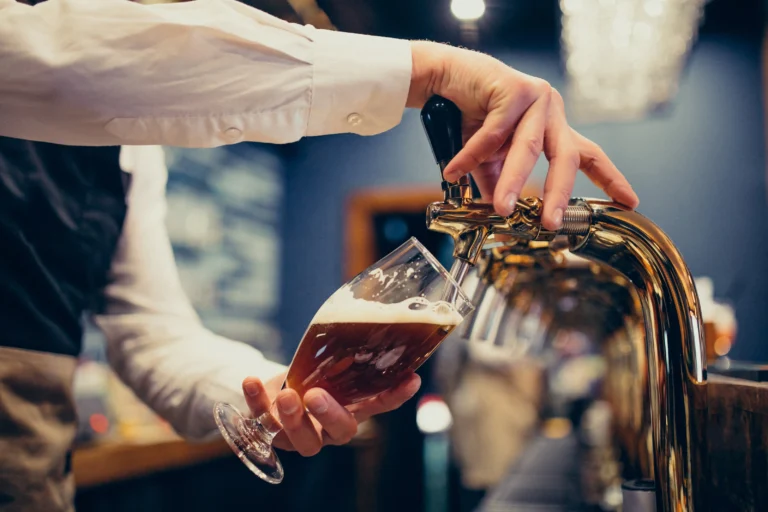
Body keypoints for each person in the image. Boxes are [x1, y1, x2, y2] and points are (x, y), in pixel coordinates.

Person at [0, 0, 640, 511]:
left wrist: (271, 394)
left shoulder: (124, 149)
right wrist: (430, 72)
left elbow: (148, 334)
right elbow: (71, 58)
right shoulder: (25, 45)